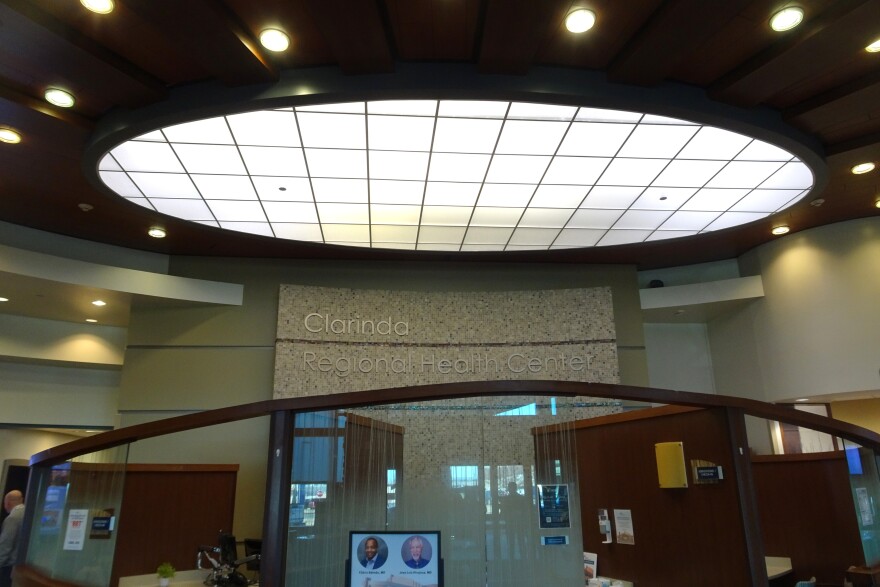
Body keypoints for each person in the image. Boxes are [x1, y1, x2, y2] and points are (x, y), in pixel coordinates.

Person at [0, 490, 24, 587]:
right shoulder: (28, 512)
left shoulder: (12, 518)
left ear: (7, 503)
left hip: (9, 567)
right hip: (22, 566)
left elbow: (5, 545)